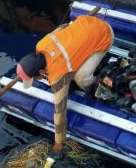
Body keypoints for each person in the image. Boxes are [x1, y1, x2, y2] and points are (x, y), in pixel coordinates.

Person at [16, 15, 114, 159]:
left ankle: (93, 83)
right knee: (73, 65)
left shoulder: (59, 76)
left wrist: (58, 143)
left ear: (41, 72)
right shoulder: (42, 44)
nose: (37, 79)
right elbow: (62, 28)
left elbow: (60, 111)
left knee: (81, 78)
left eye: (35, 77)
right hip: (87, 21)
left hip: (105, 35)